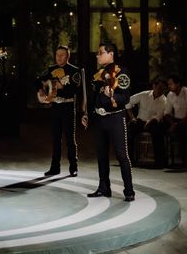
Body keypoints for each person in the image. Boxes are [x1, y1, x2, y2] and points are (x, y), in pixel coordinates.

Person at [83, 42, 135, 202]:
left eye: (100, 53)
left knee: (121, 154)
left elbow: (125, 98)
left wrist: (112, 94)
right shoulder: (97, 74)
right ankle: (104, 188)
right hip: (99, 119)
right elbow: (93, 99)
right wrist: (87, 114)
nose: (97, 55)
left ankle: (129, 190)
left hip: (115, 118)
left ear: (110, 54)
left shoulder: (121, 72)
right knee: (101, 155)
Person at [36, 45, 82, 177]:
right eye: (57, 55)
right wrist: (41, 89)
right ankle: (54, 168)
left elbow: (74, 91)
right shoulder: (51, 69)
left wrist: (60, 86)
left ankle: (73, 167)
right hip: (55, 107)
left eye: (62, 55)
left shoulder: (74, 71)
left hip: (68, 107)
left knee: (70, 139)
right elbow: (38, 80)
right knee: (55, 138)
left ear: (68, 56)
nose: (59, 57)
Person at [126, 77, 167, 168]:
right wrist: (132, 117)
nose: (161, 90)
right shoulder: (144, 95)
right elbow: (128, 102)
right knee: (130, 129)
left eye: (163, 88)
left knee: (158, 132)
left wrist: (150, 122)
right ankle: (129, 160)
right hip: (140, 121)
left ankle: (159, 162)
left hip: (153, 122)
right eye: (159, 87)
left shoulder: (164, 99)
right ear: (154, 86)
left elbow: (159, 116)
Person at [164, 75, 187, 167]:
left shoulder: (185, 92)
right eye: (168, 84)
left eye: (171, 84)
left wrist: (176, 124)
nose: (169, 86)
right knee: (161, 126)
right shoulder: (170, 94)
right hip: (177, 120)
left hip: (185, 120)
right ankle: (164, 160)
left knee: (183, 129)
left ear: (178, 84)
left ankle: (184, 160)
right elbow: (167, 113)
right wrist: (173, 123)